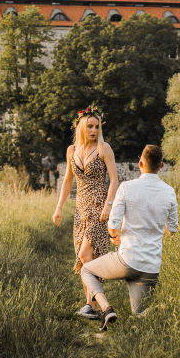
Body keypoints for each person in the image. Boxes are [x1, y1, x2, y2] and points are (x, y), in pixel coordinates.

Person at [81, 144, 178, 331]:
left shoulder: (126, 187)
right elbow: (171, 230)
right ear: (162, 166)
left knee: (87, 270)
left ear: (139, 163)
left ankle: (106, 308)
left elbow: (113, 225)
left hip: (126, 261)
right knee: (140, 316)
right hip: (151, 267)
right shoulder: (169, 192)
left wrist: (113, 236)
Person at [52, 107, 119, 319]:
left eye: (96, 127)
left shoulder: (103, 148)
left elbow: (114, 180)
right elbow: (67, 181)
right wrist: (59, 206)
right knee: (84, 258)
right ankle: (92, 307)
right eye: (89, 126)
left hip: (99, 207)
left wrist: (109, 204)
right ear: (81, 126)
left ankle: (94, 304)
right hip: (81, 208)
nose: (93, 130)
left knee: (85, 254)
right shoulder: (71, 150)